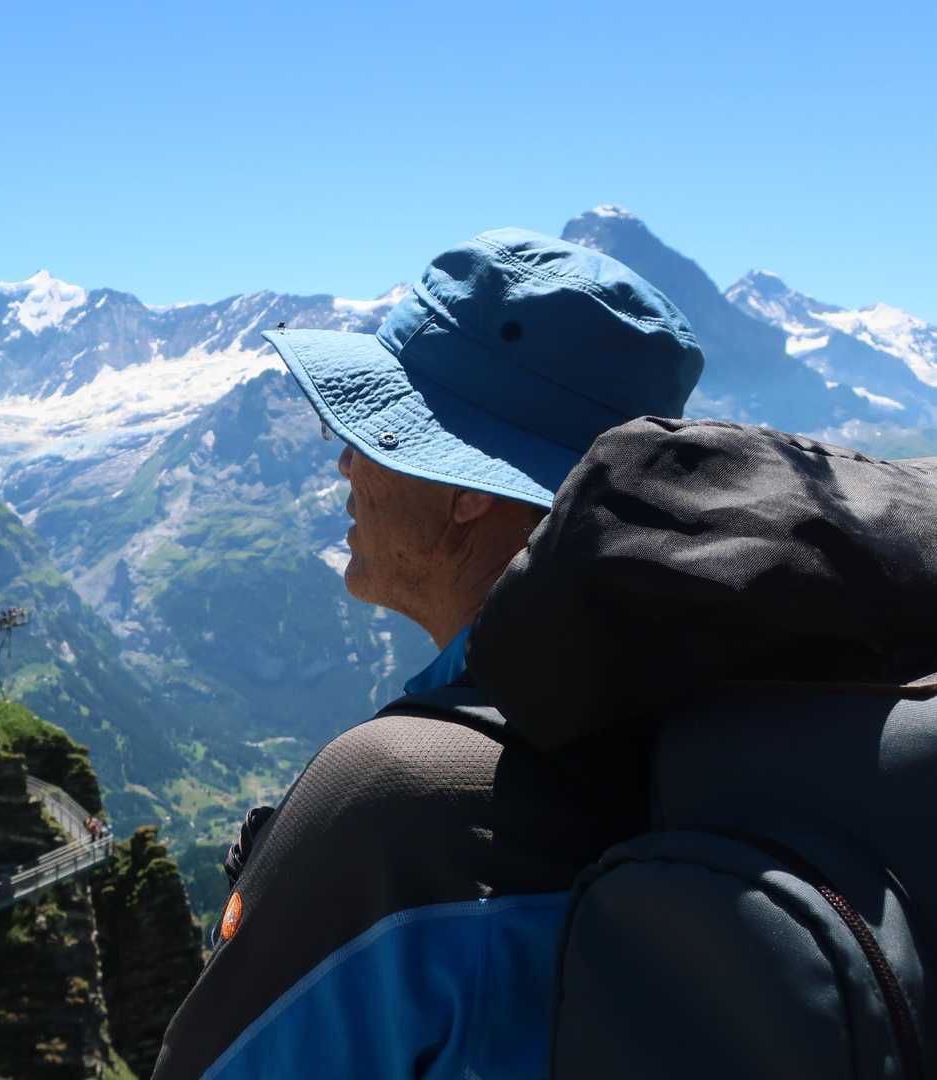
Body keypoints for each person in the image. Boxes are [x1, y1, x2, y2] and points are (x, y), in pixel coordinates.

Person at [151, 229, 705, 1078]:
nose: (345, 462)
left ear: (466, 489)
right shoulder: (699, 721)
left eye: (377, 433)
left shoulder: (398, 805)